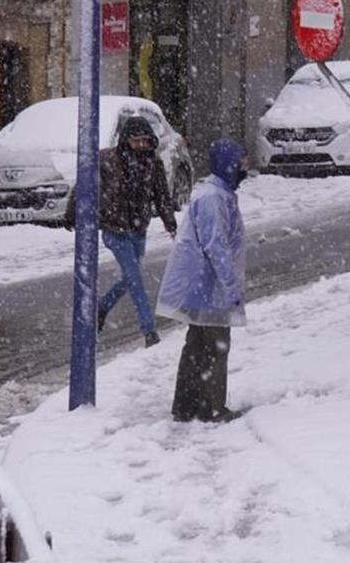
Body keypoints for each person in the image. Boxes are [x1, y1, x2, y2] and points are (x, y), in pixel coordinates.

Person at [158, 139, 249, 423]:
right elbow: (216, 245)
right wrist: (231, 287)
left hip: (200, 284)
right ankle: (213, 407)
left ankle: (186, 404)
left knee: (197, 343)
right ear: (228, 164)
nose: (246, 166)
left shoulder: (217, 193)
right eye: (241, 161)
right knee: (216, 344)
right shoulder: (214, 198)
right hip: (207, 285)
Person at [97, 116, 179, 348]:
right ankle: (149, 331)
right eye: (136, 141)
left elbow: (162, 197)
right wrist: (73, 214)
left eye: (145, 141)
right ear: (125, 140)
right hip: (115, 229)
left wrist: (170, 224)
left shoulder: (153, 164)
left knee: (128, 278)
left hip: (138, 229)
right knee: (136, 281)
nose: (141, 146)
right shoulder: (107, 160)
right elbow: (85, 185)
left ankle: (102, 307)